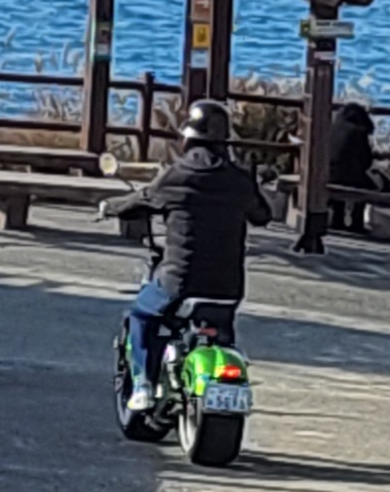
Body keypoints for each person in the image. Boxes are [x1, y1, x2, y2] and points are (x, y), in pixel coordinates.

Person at [113, 96, 276, 386]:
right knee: (222, 328)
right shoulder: (238, 180)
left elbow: (141, 199)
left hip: (180, 281)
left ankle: (143, 385)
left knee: (141, 315)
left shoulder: (176, 175)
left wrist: (110, 206)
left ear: (187, 139)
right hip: (228, 286)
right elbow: (262, 215)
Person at [324, 94, 383, 228]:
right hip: (350, 179)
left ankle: (338, 219)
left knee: (340, 174)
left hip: (329, 176)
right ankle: (357, 221)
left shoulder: (334, 128)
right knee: (365, 184)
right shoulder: (359, 132)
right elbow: (366, 162)